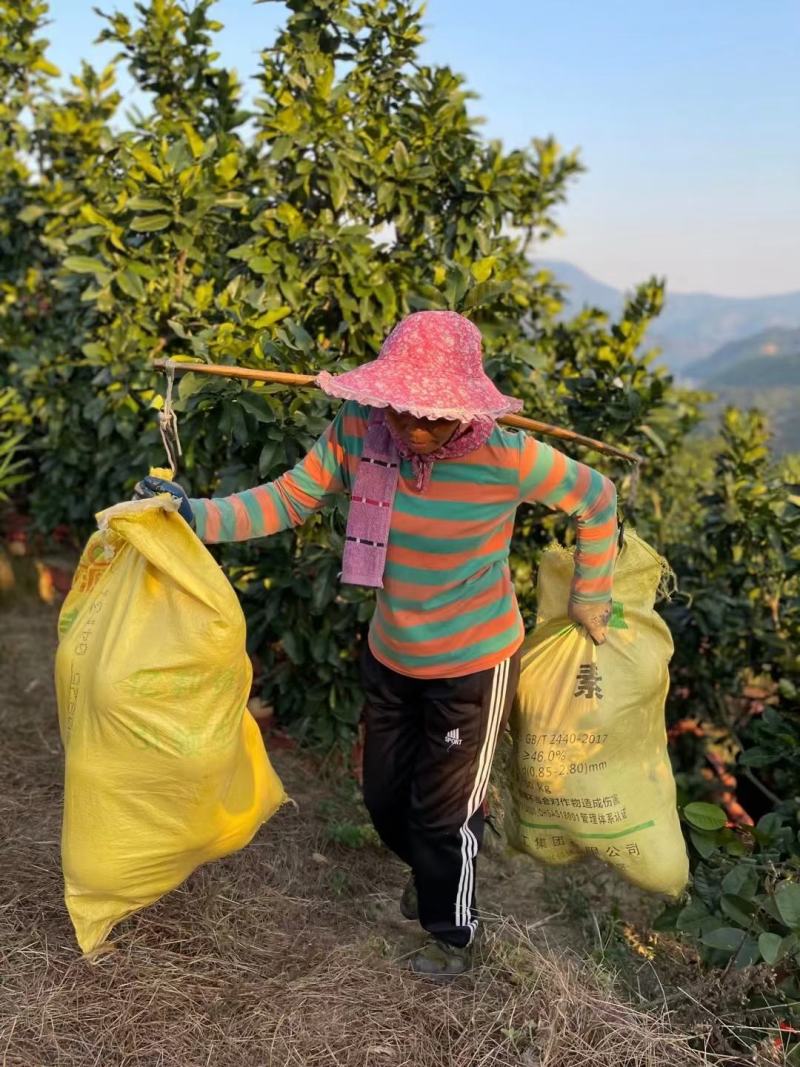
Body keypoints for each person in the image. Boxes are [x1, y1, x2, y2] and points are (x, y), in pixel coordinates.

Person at [138, 310, 618, 979]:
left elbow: (598, 499)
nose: (413, 429)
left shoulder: (509, 457)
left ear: (464, 409)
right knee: (388, 801)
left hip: (476, 664)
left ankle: (451, 934)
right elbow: (287, 499)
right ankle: (436, 865)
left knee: (442, 814)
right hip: (393, 651)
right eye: (399, 411)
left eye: (432, 416)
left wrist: (590, 596)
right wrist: (192, 514)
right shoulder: (360, 432)